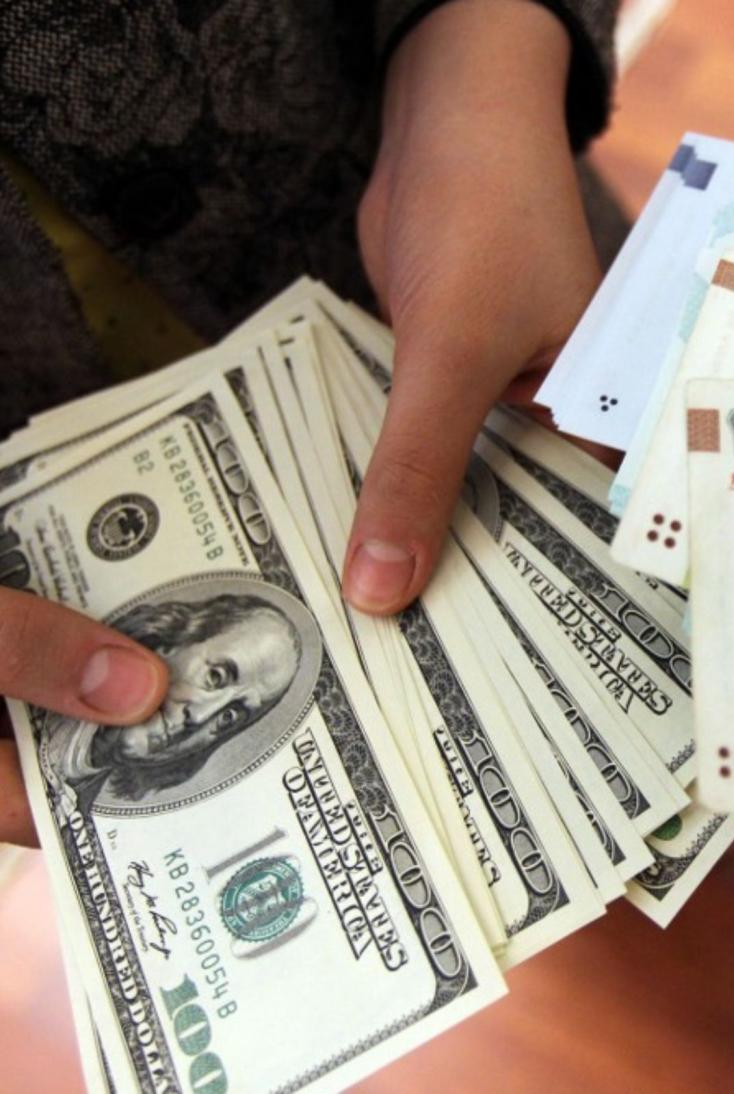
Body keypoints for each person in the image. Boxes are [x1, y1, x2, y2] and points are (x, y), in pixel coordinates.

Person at [0, 0, 623, 845]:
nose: (204, 710)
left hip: (471, 254)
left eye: (222, 675)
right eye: (235, 694)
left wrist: (482, 69)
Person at [45, 593, 302, 812]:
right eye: (215, 677)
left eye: (229, 717)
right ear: (172, 641)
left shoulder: (76, 808)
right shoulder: (47, 671)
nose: (200, 717)